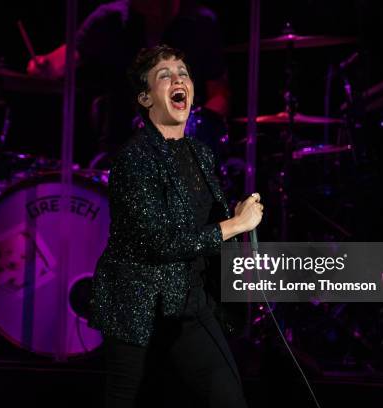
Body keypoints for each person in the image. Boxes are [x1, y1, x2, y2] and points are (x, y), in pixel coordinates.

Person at [88, 45, 263, 407]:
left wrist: (236, 213)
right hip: (139, 307)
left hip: (189, 301)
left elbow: (201, 223)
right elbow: (160, 242)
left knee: (229, 399)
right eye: (164, 76)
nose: (177, 79)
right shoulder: (133, 160)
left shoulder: (201, 153)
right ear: (146, 98)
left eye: (183, 72)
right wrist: (233, 225)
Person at [27, 0, 230, 165]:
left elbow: (219, 95)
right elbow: (63, 60)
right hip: (119, 147)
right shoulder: (109, 19)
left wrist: (194, 126)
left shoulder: (200, 23)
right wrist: (43, 66)